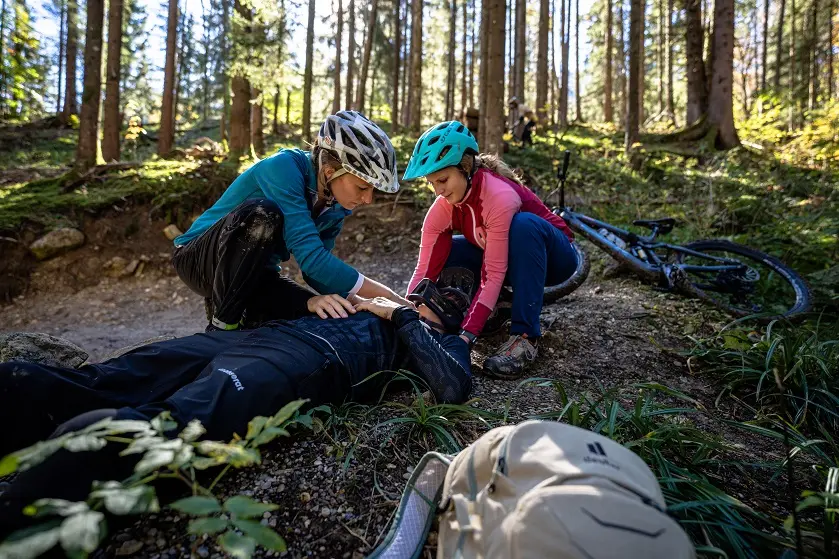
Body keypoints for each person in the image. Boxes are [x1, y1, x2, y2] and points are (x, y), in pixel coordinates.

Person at [0, 281, 473, 537]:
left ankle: (21, 517)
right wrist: (321, 300)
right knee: (97, 382)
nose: (430, 298)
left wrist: (404, 318)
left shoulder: (438, 340)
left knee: (168, 426)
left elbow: (452, 387)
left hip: (298, 363)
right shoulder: (375, 304)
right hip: (254, 338)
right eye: (427, 292)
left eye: (447, 300)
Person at [171, 110, 411, 331]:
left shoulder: (335, 207)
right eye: (362, 187)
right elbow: (314, 261)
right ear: (330, 172)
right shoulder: (284, 168)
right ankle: (221, 329)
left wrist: (362, 302)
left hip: (257, 275)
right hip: (198, 259)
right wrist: (395, 298)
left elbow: (315, 273)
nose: (368, 199)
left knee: (322, 307)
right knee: (262, 213)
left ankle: (245, 321)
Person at [402, 121, 579, 379]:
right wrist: (406, 315)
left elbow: (493, 274)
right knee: (452, 250)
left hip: (555, 258)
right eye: (432, 183)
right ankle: (488, 309)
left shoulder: (497, 195)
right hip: (505, 258)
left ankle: (525, 337)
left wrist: (466, 337)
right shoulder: (443, 208)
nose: (438, 191)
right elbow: (424, 270)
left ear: (464, 167)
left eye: (443, 180)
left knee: (523, 226)